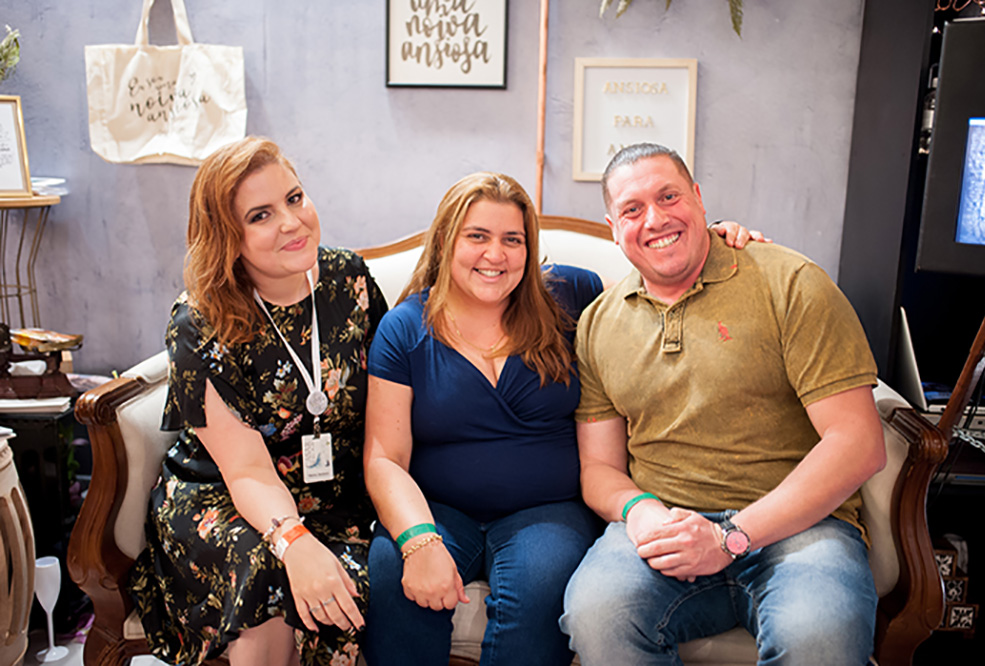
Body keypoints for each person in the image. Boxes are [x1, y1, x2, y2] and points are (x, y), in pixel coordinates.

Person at [360, 170, 759, 665]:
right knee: (392, 575)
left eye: (512, 239)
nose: (495, 254)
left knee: (541, 590)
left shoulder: (569, 295)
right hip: (435, 507)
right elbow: (385, 458)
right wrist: (419, 541)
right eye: (477, 236)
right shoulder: (403, 329)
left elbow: (662, 285)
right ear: (445, 242)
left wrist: (711, 241)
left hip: (548, 511)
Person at [559, 143, 887, 665]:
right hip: (666, 527)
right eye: (633, 209)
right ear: (613, 227)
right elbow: (599, 468)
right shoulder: (599, 322)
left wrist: (729, 536)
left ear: (698, 198)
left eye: (669, 197)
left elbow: (858, 443)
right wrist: (641, 512)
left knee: (819, 635)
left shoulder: (790, 282)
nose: (655, 219)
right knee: (597, 614)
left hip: (803, 529)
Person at [128, 137, 388, 666]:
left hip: (333, 495)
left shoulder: (349, 280)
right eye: (261, 215)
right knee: (267, 571)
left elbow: (392, 398)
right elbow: (244, 469)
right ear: (228, 236)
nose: (292, 222)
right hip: (224, 494)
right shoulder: (200, 320)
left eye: (295, 198)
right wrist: (294, 541)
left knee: (344, 584)